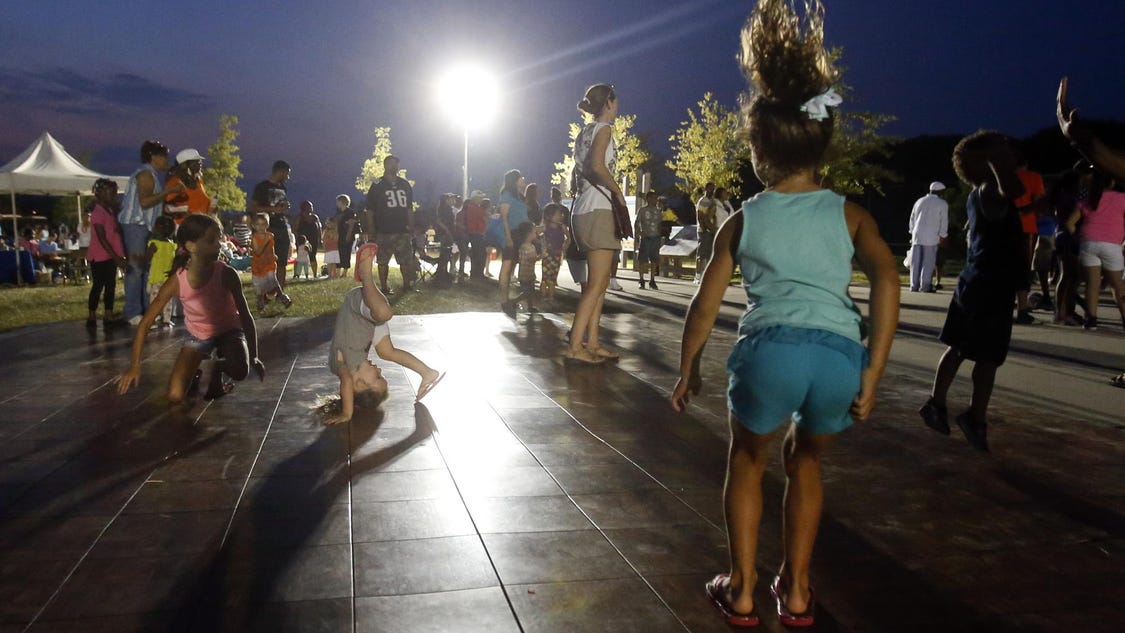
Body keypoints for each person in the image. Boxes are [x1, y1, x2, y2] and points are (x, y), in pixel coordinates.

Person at [671, 1, 899, 626]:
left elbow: (704, 304)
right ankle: (796, 591)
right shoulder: (850, 214)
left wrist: (687, 368)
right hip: (836, 360)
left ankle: (741, 588)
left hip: (769, 352)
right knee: (808, 461)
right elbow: (887, 275)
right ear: (819, 144)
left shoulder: (744, 218)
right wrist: (873, 370)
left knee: (747, 459)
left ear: (758, 150)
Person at [919, 131, 1028, 453]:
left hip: (990, 283)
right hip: (984, 284)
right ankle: (951, 409)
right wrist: (997, 162)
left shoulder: (985, 195)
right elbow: (1015, 189)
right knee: (974, 351)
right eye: (1001, 150)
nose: (1009, 153)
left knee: (978, 353)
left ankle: (962, 412)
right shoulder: (988, 190)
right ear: (984, 162)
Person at [116, 214, 264, 402]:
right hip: (198, 336)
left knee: (240, 370)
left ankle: (216, 368)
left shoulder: (227, 273)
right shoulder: (177, 281)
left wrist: (254, 356)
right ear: (190, 246)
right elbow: (145, 324)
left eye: (220, 238)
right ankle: (199, 370)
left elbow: (245, 315)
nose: (219, 245)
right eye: (212, 240)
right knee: (174, 396)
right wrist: (134, 366)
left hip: (229, 332)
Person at [324, 245, 445, 425]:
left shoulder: (340, 365)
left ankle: (365, 275)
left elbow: (346, 383)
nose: (380, 370)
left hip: (357, 307)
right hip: (370, 322)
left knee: (384, 313)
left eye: (378, 377)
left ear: (360, 384)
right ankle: (427, 373)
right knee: (387, 352)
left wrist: (347, 414)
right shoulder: (356, 366)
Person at [1059, 77, 1125, 387]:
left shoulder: (1092, 198)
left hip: (1092, 244)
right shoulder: (1115, 195)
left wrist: (1080, 140)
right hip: (1110, 246)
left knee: (1096, 288)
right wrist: (1079, 139)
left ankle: (1090, 316)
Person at [566, 83, 628, 364]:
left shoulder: (584, 132)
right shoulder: (604, 129)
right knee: (597, 284)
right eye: (616, 102)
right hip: (598, 209)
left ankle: (592, 342)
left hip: (582, 210)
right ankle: (576, 346)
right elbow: (597, 166)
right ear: (610, 103)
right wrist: (618, 192)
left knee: (598, 283)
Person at [120, 140, 180, 324]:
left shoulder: (152, 175)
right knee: (137, 269)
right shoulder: (145, 174)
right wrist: (169, 190)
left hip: (145, 226)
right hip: (136, 225)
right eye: (164, 157)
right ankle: (133, 312)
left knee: (146, 270)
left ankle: (146, 310)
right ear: (154, 157)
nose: (167, 161)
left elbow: (151, 205)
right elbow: (145, 202)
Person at [1065, 169, 1125, 331]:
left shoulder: (1088, 200)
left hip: (1088, 243)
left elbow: (1070, 223)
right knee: (1118, 286)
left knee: (1092, 284)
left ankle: (1091, 320)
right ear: (1112, 182)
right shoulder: (1122, 198)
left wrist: (1079, 238)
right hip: (1111, 244)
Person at [364, 155, 416, 295]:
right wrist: (371, 227)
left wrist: (411, 226)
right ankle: (384, 287)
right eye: (392, 164)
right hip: (384, 230)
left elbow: (409, 208)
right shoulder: (377, 184)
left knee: (405, 260)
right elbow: (369, 208)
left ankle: (406, 285)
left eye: (397, 164)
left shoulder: (404, 184)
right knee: (382, 261)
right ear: (386, 165)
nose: (395, 167)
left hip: (402, 229)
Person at [87, 179, 129, 327]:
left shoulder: (110, 211)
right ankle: (91, 314)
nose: (113, 197)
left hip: (111, 255)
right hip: (99, 256)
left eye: (115, 194)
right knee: (98, 285)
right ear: (100, 194)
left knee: (110, 285)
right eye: (111, 194)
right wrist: (116, 257)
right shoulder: (97, 213)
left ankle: (108, 313)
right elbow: (101, 237)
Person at [250, 161, 293, 289]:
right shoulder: (262, 187)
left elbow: (281, 205)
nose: (288, 177)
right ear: (280, 171)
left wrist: (284, 207)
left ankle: (280, 290)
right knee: (265, 259)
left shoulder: (283, 188)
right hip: (267, 227)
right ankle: (264, 290)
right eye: (287, 174)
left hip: (281, 225)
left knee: (282, 260)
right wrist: (272, 209)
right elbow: (252, 207)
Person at [1013, 156, 1046, 324]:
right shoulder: (1033, 177)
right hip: (1025, 227)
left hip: (1000, 227)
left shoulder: (1001, 176)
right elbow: (1038, 202)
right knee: (1022, 269)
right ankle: (1022, 309)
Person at [497, 169, 530, 316]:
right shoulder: (507, 195)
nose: (523, 179)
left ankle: (509, 298)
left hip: (520, 235)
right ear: (514, 180)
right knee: (507, 265)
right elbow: (504, 217)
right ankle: (504, 300)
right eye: (521, 177)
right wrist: (508, 237)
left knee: (511, 268)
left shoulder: (519, 197)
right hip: (510, 234)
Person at [907, 181, 949, 292]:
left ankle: (914, 285)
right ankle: (925, 285)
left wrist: (912, 232)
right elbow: (944, 221)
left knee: (915, 262)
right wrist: (942, 235)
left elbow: (912, 218)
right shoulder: (942, 203)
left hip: (917, 235)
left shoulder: (919, 201)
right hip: (931, 236)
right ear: (941, 192)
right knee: (928, 261)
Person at [250, 212, 292, 311]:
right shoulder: (254, 237)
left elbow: (271, 247)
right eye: (258, 224)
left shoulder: (270, 235)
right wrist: (265, 241)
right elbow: (258, 251)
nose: (261, 227)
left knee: (273, 279)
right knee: (260, 286)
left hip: (269, 263)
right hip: (259, 265)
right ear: (254, 226)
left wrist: (273, 255)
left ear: (267, 225)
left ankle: (282, 296)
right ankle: (261, 301)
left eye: (263, 224)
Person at [164, 148, 214, 224]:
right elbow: (167, 208)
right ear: (184, 165)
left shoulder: (198, 181)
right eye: (195, 161)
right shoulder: (175, 182)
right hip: (184, 226)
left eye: (200, 161)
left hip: (200, 226)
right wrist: (185, 213)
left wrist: (211, 208)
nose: (200, 163)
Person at [145, 216, 177, 328]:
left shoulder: (154, 243)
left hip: (157, 278)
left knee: (155, 301)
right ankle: (166, 321)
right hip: (166, 278)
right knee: (167, 300)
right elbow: (175, 261)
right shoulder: (172, 245)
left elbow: (147, 259)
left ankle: (154, 320)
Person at [541, 196, 570, 304]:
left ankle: (551, 297)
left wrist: (565, 246)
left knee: (553, 277)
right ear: (549, 216)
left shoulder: (562, 227)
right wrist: (542, 245)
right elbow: (537, 234)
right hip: (547, 255)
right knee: (545, 277)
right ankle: (544, 296)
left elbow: (569, 238)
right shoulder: (545, 227)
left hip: (557, 255)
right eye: (558, 214)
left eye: (561, 214)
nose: (561, 216)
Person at [634, 191, 663, 289]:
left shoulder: (658, 211)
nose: (656, 200)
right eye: (654, 198)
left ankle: (652, 280)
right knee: (642, 260)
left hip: (655, 237)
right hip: (646, 238)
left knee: (654, 260)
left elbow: (660, 224)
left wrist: (661, 232)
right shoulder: (642, 210)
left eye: (656, 198)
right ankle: (641, 279)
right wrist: (640, 233)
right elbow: (637, 223)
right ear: (648, 199)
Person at [515, 221, 542, 312]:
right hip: (526, 274)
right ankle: (514, 301)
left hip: (527, 273)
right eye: (534, 232)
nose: (536, 234)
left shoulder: (527, 246)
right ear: (529, 234)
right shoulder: (527, 247)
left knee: (530, 292)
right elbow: (532, 259)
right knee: (527, 292)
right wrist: (541, 256)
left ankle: (530, 307)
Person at [462, 190, 489, 280]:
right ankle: (477, 274)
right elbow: (486, 215)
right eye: (480, 198)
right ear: (475, 198)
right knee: (480, 254)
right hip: (476, 233)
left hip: (476, 233)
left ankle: (476, 274)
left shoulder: (474, 207)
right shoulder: (474, 208)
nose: (481, 200)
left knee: (477, 254)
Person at [695, 182, 719, 283]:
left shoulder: (713, 201)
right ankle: (698, 275)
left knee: (709, 254)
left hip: (711, 229)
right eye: (710, 189)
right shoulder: (702, 201)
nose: (712, 191)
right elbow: (699, 215)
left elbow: (714, 215)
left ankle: (706, 274)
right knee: (701, 253)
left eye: (713, 189)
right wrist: (703, 227)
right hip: (703, 230)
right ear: (705, 189)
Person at [334, 194, 360, 274]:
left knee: (346, 253)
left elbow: (351, 225)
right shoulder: (338, 212)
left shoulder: (349, 212)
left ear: (343, 202)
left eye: (338, 201)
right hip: (340, 235)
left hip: (347, 235)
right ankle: (338, 271)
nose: (337, 203)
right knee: (339, 253)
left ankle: (344, 272)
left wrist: (348, 235)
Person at [296, 200, 323, 278]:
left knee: (313, 256)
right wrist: (298, 239)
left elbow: (319, 228)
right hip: (302, 241)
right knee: (300, 257)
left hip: (313, 240)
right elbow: (295, 228)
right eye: (309, 206)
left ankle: (314, 274)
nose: (311, 208)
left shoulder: (315, 217)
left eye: (311, 206)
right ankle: (297, 274)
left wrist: (320, 238)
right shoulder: (299, 217)